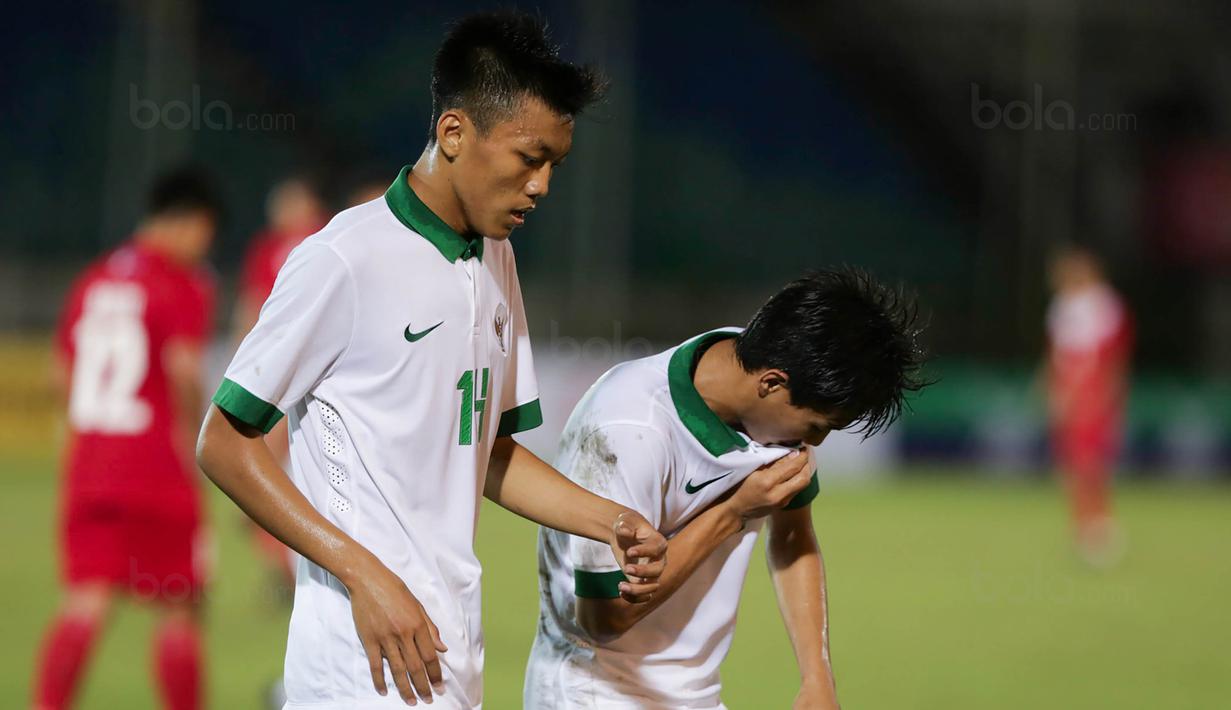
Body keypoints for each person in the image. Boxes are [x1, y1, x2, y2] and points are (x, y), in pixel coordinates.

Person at [195, 12, 668, 710]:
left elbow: (488, 453)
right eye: (528, 158)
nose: (541, 186)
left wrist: (611, 521)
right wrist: (366, 576)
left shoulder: (495, 258)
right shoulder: (343, 260)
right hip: (360, 660)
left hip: (448, 647)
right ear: (454, 134)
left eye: (553, 166)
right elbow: (224, 442)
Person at [526, 269, 928, 710]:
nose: (815, 444)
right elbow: (602, 618)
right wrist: (733, 512)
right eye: (817, 426)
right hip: (593, 691)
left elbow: (793, 535)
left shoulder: (773, 385)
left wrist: (816, 677)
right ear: (771, 384)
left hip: (698, 694)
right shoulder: (629, 429)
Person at [33, 167, 220, 710]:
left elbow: (59, 373)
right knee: (179, 610)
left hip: (91, 467)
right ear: (191, 223)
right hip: (157, 469)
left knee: (84, 603)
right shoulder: (183, 282)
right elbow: (185, 370)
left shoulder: (94, 278)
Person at [234, 176, 328, 587]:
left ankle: (281, 559)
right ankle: (285, 562)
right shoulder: (330, 235)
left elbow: (250, 310)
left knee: (261, 468)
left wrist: (242, 364)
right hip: (315, 373)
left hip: (276, 372)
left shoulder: (273, 247)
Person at [1044, 245, 1132, 565]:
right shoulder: (1062, 306)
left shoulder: (1104, 306)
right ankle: (1083, 527)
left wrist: (1102, 395)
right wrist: (1052, 388)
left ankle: (1100, 526)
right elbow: (1057, 354)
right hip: (1069, 390)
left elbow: (1111, 358)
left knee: (1090, 462)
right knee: (1071, 464)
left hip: (1093, 392)